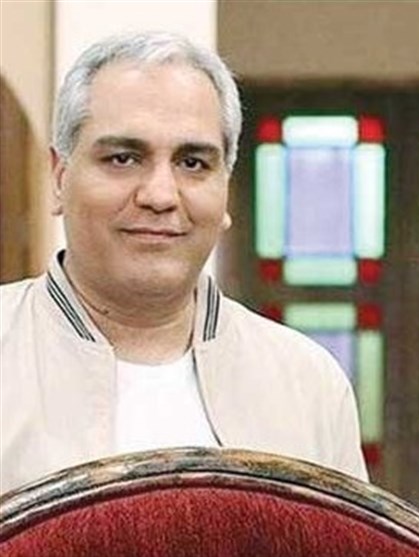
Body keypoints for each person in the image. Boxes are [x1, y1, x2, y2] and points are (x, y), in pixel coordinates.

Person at [0, 31, 367, 495]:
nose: (160, 195)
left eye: (192, 163)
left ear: (225, 189)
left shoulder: (308, 383)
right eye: (123, 158)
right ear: (59, 177)